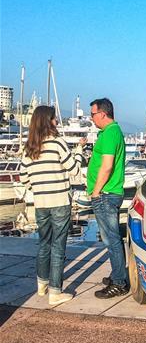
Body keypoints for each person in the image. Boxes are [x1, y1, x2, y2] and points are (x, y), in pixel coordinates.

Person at [20, 105, 85, 306]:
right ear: (48, 121)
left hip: (41, 203)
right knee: (58, 246)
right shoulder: (57, 143)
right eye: (55, 119)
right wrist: (80, 151)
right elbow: (74, 169)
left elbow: (23, 178)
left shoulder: (29, 148)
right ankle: (55, 292)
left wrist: (38, 185)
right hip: (59, 202)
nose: (57, 122)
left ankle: (42, 285)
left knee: (44, 244)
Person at [87, 98, 129, 298]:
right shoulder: (108, 133)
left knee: (111, 239)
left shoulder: (111, 133)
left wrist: (96, 191)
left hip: (106, 194)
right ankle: (117, 274)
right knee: (109, 238)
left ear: (103, 113)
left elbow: (107, 165)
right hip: (106, 193)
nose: (91, 118)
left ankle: (119, 282)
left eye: (93, 114)